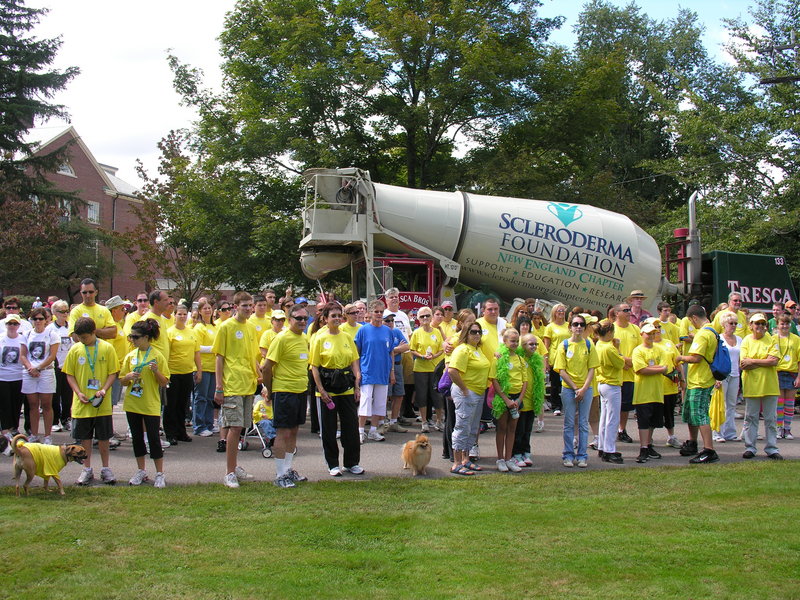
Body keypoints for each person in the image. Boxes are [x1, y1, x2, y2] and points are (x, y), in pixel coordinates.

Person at [62, 317, 119, 484]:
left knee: (103, 437)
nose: (82, 340)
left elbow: (112, 373)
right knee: (84, 438)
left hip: (101, 404)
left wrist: (104, 389)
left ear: (94, 333)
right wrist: (78, 392)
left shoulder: (107, 348)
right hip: (82, 403)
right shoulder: (75, 349)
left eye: (85, 337)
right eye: (79, 337)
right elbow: (69, 374)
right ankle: (86, 469)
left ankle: (105, 468)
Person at [309, 303, 364, 476]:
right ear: (325, 319)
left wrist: (357, 384)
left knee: (351, 427)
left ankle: (351, 462)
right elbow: (314, 367)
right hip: (327, 389)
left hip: (346, 387)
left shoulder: (347, 337)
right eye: (333, 316)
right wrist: (321, 390)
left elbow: (354, 361)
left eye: (339, 315)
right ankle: (332, 464)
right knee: (329, 428)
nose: (337, 319)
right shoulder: (319, 338)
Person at [213, 292, 261, 488]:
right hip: (231, 384)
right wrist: (219, 387)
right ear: (235, 307)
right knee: (233, 427)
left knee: (242, 427)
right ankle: (229, 472)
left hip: (248, 384)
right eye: (244, 306)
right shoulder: (226, 327)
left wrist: (261, 381)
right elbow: (219, 357)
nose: (248, 309)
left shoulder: (251, 327)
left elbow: (254, 357)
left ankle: (235, 465)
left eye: (250, 305)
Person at [263, 303, 311, 488]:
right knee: (283, 432)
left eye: (305, 318)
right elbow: (267, 367)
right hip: (284, 391)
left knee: (294, 431)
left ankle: (289, 469)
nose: (302, 321)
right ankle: (280, 474)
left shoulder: (304, 338)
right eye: (298, 318)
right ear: (289, 319)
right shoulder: (281, 338)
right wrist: (270, 388)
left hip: (300, 391)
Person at [119, 318, 170, 487]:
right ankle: (141, 470)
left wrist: (156, 372)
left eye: (136, 337)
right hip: (133, 403)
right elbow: (122, 381)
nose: (132, 340)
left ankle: (159, 473)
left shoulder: (157, 356)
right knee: (137, 438)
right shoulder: (130, 356)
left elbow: (164, 382)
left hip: (150, 404)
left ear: (146, 337)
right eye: (131, 337)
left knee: (154, 438)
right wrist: (127, 377)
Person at [675, 305, 719, 464]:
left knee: (700, 414)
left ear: (693, 318)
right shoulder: (712, 330)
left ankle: (709, 450)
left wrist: (680, 358)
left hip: (701, 379)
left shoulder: (703, 334)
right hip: (699, 379)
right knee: (691, 412)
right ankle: (692, 442)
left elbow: (696, 357)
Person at [553, 313, 599, 468]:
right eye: (575, 324)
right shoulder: (564, 345)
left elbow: (592, 368)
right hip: (568, 389)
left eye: (581, 325)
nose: (578, 327)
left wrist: (584, 388)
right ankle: (567, 454)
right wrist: (575, 388)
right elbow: (561, 370)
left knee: (584, 423)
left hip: (586, 388)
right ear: (570, 327)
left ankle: (582, 455)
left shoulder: (589, 344)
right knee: (569, 422)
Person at [447, 322, 490, 475]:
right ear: (466, 333)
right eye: (473, 332)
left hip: (478, 393)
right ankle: (457, 462)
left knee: (472, 427)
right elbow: (452, 370)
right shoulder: (462, 349)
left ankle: (466, 459)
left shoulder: (477, 350)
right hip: (466, 393)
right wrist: (465, 389)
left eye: (479, 332)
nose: (477, 335)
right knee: (462, 426)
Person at [739, 313, 783, 459]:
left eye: (762, 324)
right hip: (752, 385)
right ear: (750, 325)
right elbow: (744, 364)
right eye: (757, 323)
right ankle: (750, 447)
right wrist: (762, 361)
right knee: (751, 417)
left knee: (771, 419)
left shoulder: (771, 339)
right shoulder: (746, 341)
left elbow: (774, 361)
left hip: (770, 385)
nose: (760, 326)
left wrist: (753, 361)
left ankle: (772, 448)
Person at [353, 300, 395, 444]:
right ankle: (359, 431)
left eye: (381, 312)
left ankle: (373, 430)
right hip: (367, 372)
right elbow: (356, 353)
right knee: (365, 402)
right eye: (376, 311)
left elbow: (391, 353)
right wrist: (357, 372)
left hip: (382, 373)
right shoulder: (363, 330)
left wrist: (392, 372)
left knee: (380, 403)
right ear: (370, 313)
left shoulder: (387, 331)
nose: (378, 314)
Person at [490, 328, 528, 472]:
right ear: (504, 341)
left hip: (516, 398)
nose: (514, 344)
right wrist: (506, 399)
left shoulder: (519, 359)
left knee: (512, 429)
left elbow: (525, 381)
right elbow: (494, 379)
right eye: (512, 341)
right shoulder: (499, 358)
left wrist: (519, 399)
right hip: (503, 397)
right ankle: (500, 459)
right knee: (502, 428)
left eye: (516, 341)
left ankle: (509, 458)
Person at [20, 307, 59, 444]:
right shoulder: (26, 334)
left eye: (40, 319)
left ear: (46, 320)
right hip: (29, 372)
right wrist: (31, 368)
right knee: (32, 404)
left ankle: (47, 436)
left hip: (46, 371)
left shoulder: (52, 334)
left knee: (47, 404)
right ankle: (34, 434)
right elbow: (23, 355)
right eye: (35, 319)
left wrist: (39, 368)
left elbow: (52, 356)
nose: (37, 321)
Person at [165, 303, 202, 445]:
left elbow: (196, 353)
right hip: (173, 373)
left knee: (183, 405)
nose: (182, 316)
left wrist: (199, 370)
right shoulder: (170, 332)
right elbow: (166, 354)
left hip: (187, 373)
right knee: (171, 405)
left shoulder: (191, 332)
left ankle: (181, 432)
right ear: (174, 316)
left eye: (184, 314)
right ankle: (170, 433)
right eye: (179, 314)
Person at [631, 323, 667, 463]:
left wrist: (651, 368)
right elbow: (640, 369)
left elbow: (665, 368)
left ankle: (649, 444)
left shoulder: (660, 349)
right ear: (642, 335)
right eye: (648, 333)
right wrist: (657, 368)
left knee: (653, 421)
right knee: (643, 421)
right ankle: (643, 447)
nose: (651, 336)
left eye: (653, 333)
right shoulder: (638, 351)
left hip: (657, 392)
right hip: (642, 393)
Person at [511, 333, 546, 466]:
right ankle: (516, 454)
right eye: (531, 344)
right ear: (523, 345)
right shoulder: (518, 357)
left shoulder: (536, 358)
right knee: (518, 430)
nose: (534, 347)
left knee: (527, 430)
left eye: (536, 344)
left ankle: (526, 453)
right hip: (521, 401)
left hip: (532, 401)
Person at [409, 306, 445, 433]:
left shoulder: (436, 332)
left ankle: (439, 421)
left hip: (435, 368)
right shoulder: (416, 333)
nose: (425, 318)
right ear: (418, 318)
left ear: (431, 317)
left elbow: (441, 349)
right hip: (420, 368)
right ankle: (424, 422)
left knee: (437, 395)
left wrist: (434, 356)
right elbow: (412, 350)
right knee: (422, 395)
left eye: (427, 315)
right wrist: (422, 356)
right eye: (422, 316)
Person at [595, 322, 625, 463]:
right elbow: (621, 363)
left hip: (602, 382)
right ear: (608, 333)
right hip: (612, 383)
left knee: (605, 417)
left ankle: (602, 446)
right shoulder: (609, 348)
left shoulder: (599, 344)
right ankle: (609, 449)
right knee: (613, 419)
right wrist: (618, 349)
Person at [613, 302, 640, 443]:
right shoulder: (611, 329)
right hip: (615, 374)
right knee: (612, 406)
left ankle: (621, 430)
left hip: (630, 374)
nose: (629, 312)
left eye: (629, 310)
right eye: (625, 310)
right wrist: (623, 361)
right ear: (617, 313)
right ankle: (611, 430)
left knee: (625, 406)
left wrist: (630, 362)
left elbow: (640, 349)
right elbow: (608, 349)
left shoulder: (635, 329)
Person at [192, 297, 218, 437]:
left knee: (209, 397)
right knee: (200, 397)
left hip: (213, 367)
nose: (208, 310)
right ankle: (199, 425)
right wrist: (214, 348)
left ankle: (209, 424)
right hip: (202, 366)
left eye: (209, 308)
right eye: (205, 308)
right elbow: (198, 348)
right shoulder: (199, 327)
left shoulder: (215, 327)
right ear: (200, 311)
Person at [0, 315, 26, 454]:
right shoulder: (1, 338)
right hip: (3, 377)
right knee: (5, 405)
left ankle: (14, 428)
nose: (12, 325)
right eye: (9, 323)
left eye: (15, 323)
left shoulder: (22, 339)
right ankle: (5, 430)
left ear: (18, 325)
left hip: (18, 376)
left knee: (16, 404)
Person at [714, 312, 742, 443]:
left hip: (735, 375)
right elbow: (714, 358)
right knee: (720, 404)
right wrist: (716, 378)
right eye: (731, 323)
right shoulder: (719, 339)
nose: (734, 326)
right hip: (722, 375)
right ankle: (717, 432)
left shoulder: (740, 339)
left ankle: (730, 432)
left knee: (731, 405)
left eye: (735, 323)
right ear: (724, 324)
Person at [47, 300, 73, 432]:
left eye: (66, 311)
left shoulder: (71, 327)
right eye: (61, 311)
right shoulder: (50, 329)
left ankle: (66, 418)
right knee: (55, 396)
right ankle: (55, 420)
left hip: (69, 367)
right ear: (55, 313)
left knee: (68, 396)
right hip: (55, 367)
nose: (65, 314)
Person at [383, 314, 410, 433]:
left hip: (398, 365)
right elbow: (384, 350)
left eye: (392, 320)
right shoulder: (381, 333)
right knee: (384, 395)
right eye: (387, 320)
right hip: (385, 366)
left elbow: (407, 346)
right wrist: (397, 348)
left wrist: (394, 349)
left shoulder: (397, 332)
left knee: (399, 394)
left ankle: (394, 421)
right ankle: (382, 422)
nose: (390, 322)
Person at [774, 314, 800, 439]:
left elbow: (799, 360)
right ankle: (779, 428)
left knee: (790, 403)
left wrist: (799, 377)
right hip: (777, 372)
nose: (784, 326)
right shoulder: (773, 338)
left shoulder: (796, 339)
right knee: (779, 403)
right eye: (782, 323)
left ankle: (788, 429)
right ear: (777, 324)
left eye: (787, 323)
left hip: (792, 372)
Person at [542, 303, 568, 415]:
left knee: (566, 384)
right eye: (559, 311)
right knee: (555, 384)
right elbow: (546, 346)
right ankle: (556, 406)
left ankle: (566, 405)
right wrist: (546, 361)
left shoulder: (569, 325)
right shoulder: (550, 327)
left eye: (563, 310)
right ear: (554, 313)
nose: (561, 313)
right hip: (555, 358)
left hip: (568, 358)